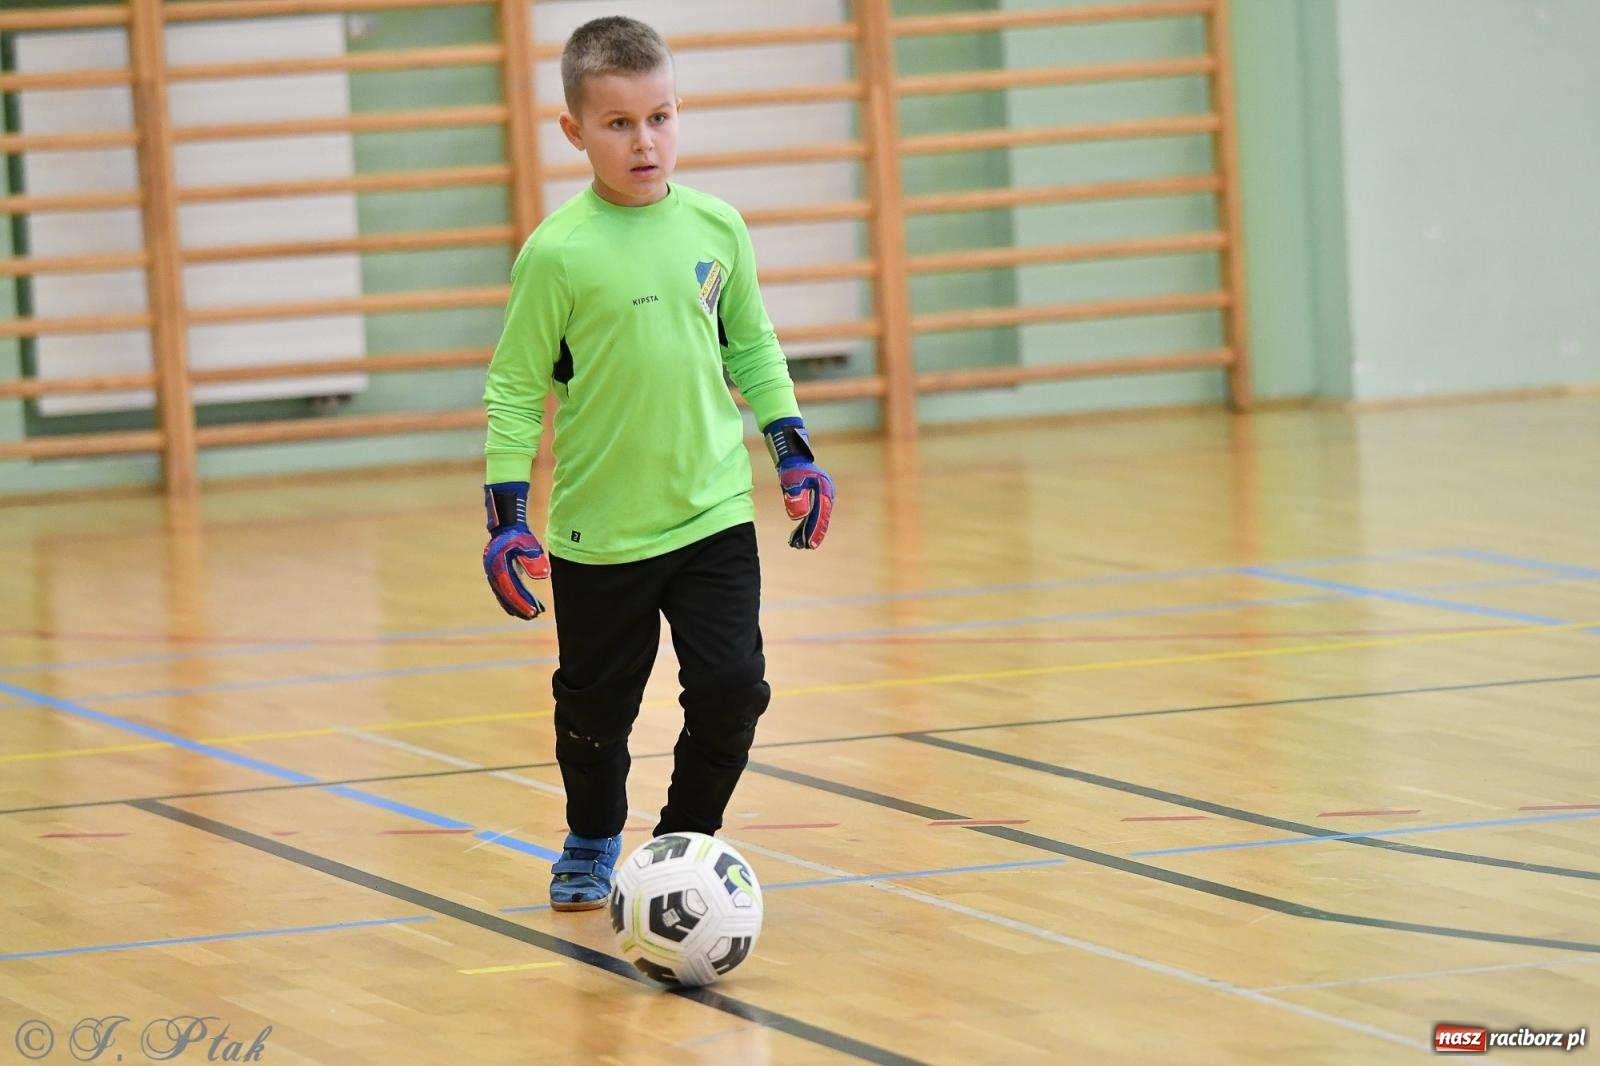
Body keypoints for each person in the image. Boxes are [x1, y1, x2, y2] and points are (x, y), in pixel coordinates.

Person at [480, 15, 835, 911]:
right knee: (595, 713)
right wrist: (507, 518)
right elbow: (515, 391)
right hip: (600, 533)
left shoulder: (718, 226)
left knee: (733, 689)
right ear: (574, 131)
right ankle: (593, 833)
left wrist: (792, 451)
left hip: (713, 510)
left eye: (660, 117)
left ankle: (681, 844)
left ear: (678, 113)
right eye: (619, 123)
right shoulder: (556, 254)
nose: (645, 141)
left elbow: (753, 347)